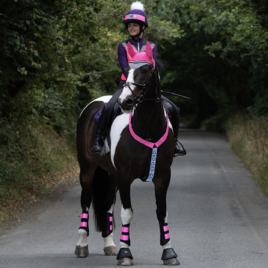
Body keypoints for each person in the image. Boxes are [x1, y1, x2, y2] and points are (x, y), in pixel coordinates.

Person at [91, 1, 186, 157]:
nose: (131, 28)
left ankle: (174, 143)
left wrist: (154, 86)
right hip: (126, 84)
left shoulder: (152, 47)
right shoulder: (123, 46)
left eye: (134, 25)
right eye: (129, 26)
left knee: (174, 108)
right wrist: (133, 83)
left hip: (147, 86)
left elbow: (153, 69)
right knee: (109, 108)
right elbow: (125, 67)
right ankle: (98, 140)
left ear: (142, 27)